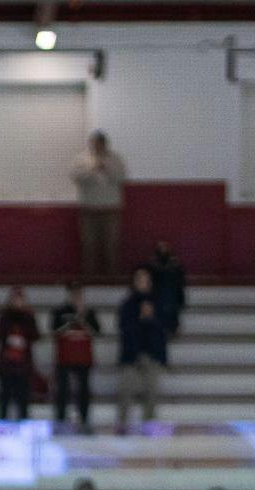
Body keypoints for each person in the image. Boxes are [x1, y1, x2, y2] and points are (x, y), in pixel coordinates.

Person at [115, 269, 168, 433]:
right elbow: (124, 328)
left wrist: (150, 319)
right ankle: (123, 425)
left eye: (145, 280)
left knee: (152, 392)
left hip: (151, 353)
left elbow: (163, 329)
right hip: (131, 354)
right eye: (139, 280)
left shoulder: (158, 304)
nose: (142, 283)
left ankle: (149, 425)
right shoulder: (127, 304)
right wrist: (140, 319)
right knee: (125, 391)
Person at [72, 131, 128, 279]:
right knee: (88, 245)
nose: (97, 146)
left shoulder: (116, 159)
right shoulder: (81, 159)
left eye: (100, 144)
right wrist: (92, 168)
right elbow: (76, 177)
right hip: (88, 210)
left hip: (110, 209)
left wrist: (106, 167)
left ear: (105, 144)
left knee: (111, 245)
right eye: (94, 143)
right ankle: (89, 279)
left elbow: (121, 178)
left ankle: (112, 279)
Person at [47, 283, 101, 429]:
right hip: (65, 358)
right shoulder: (59, 311)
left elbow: (97, 333)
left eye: (79, 294)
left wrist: (82, 319)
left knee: (83, 390)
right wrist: (70, 323)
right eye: (74, 294)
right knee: (62, 390)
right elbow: (54, 332)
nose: (76, 297)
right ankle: (61, 420)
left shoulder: (89, 312)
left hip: (83, 358)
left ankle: (84, 420)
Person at [0, 286, 41, 420]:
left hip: (23, 365)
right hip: (7, 364)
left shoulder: (29, 316)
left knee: (23, 397)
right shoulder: (4, 316)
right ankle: (2, 424)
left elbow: (36, 335)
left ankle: (23, 423)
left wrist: (23, 338)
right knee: (5, 397)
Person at [148, 241, 187, 337]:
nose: (163, 250)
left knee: (169, 295)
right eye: (161, 248)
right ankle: (166, 327)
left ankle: (170, 327)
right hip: (157, 294)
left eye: (165, 247)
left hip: (172, 294)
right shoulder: (152, 265)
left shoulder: (175, 264)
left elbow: (181, 281)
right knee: (164, 295)